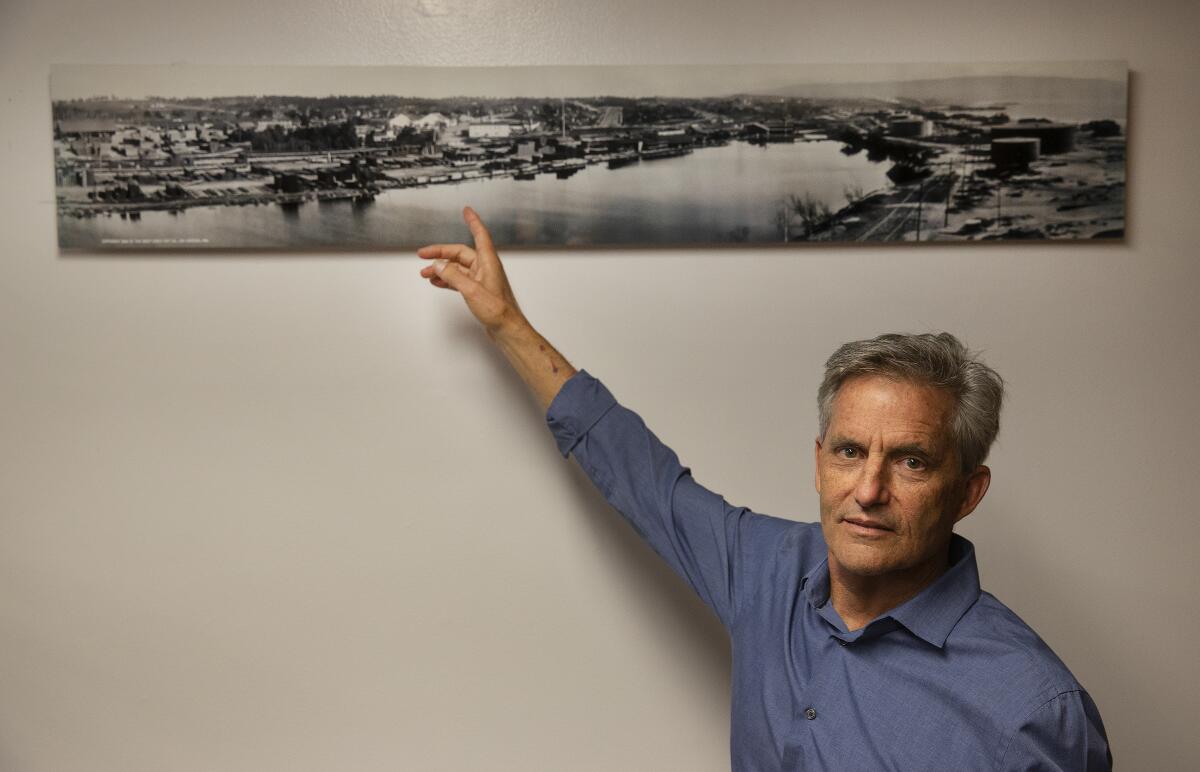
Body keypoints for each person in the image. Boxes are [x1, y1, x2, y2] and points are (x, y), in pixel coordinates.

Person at [417, 207, 1112, 771]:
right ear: (819, 464)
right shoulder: (769, 569)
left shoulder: (1033, 712)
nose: (868, 489)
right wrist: (508, 325)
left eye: (911, 463)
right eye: (849, 452)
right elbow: (639, 473)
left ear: (968, 492)